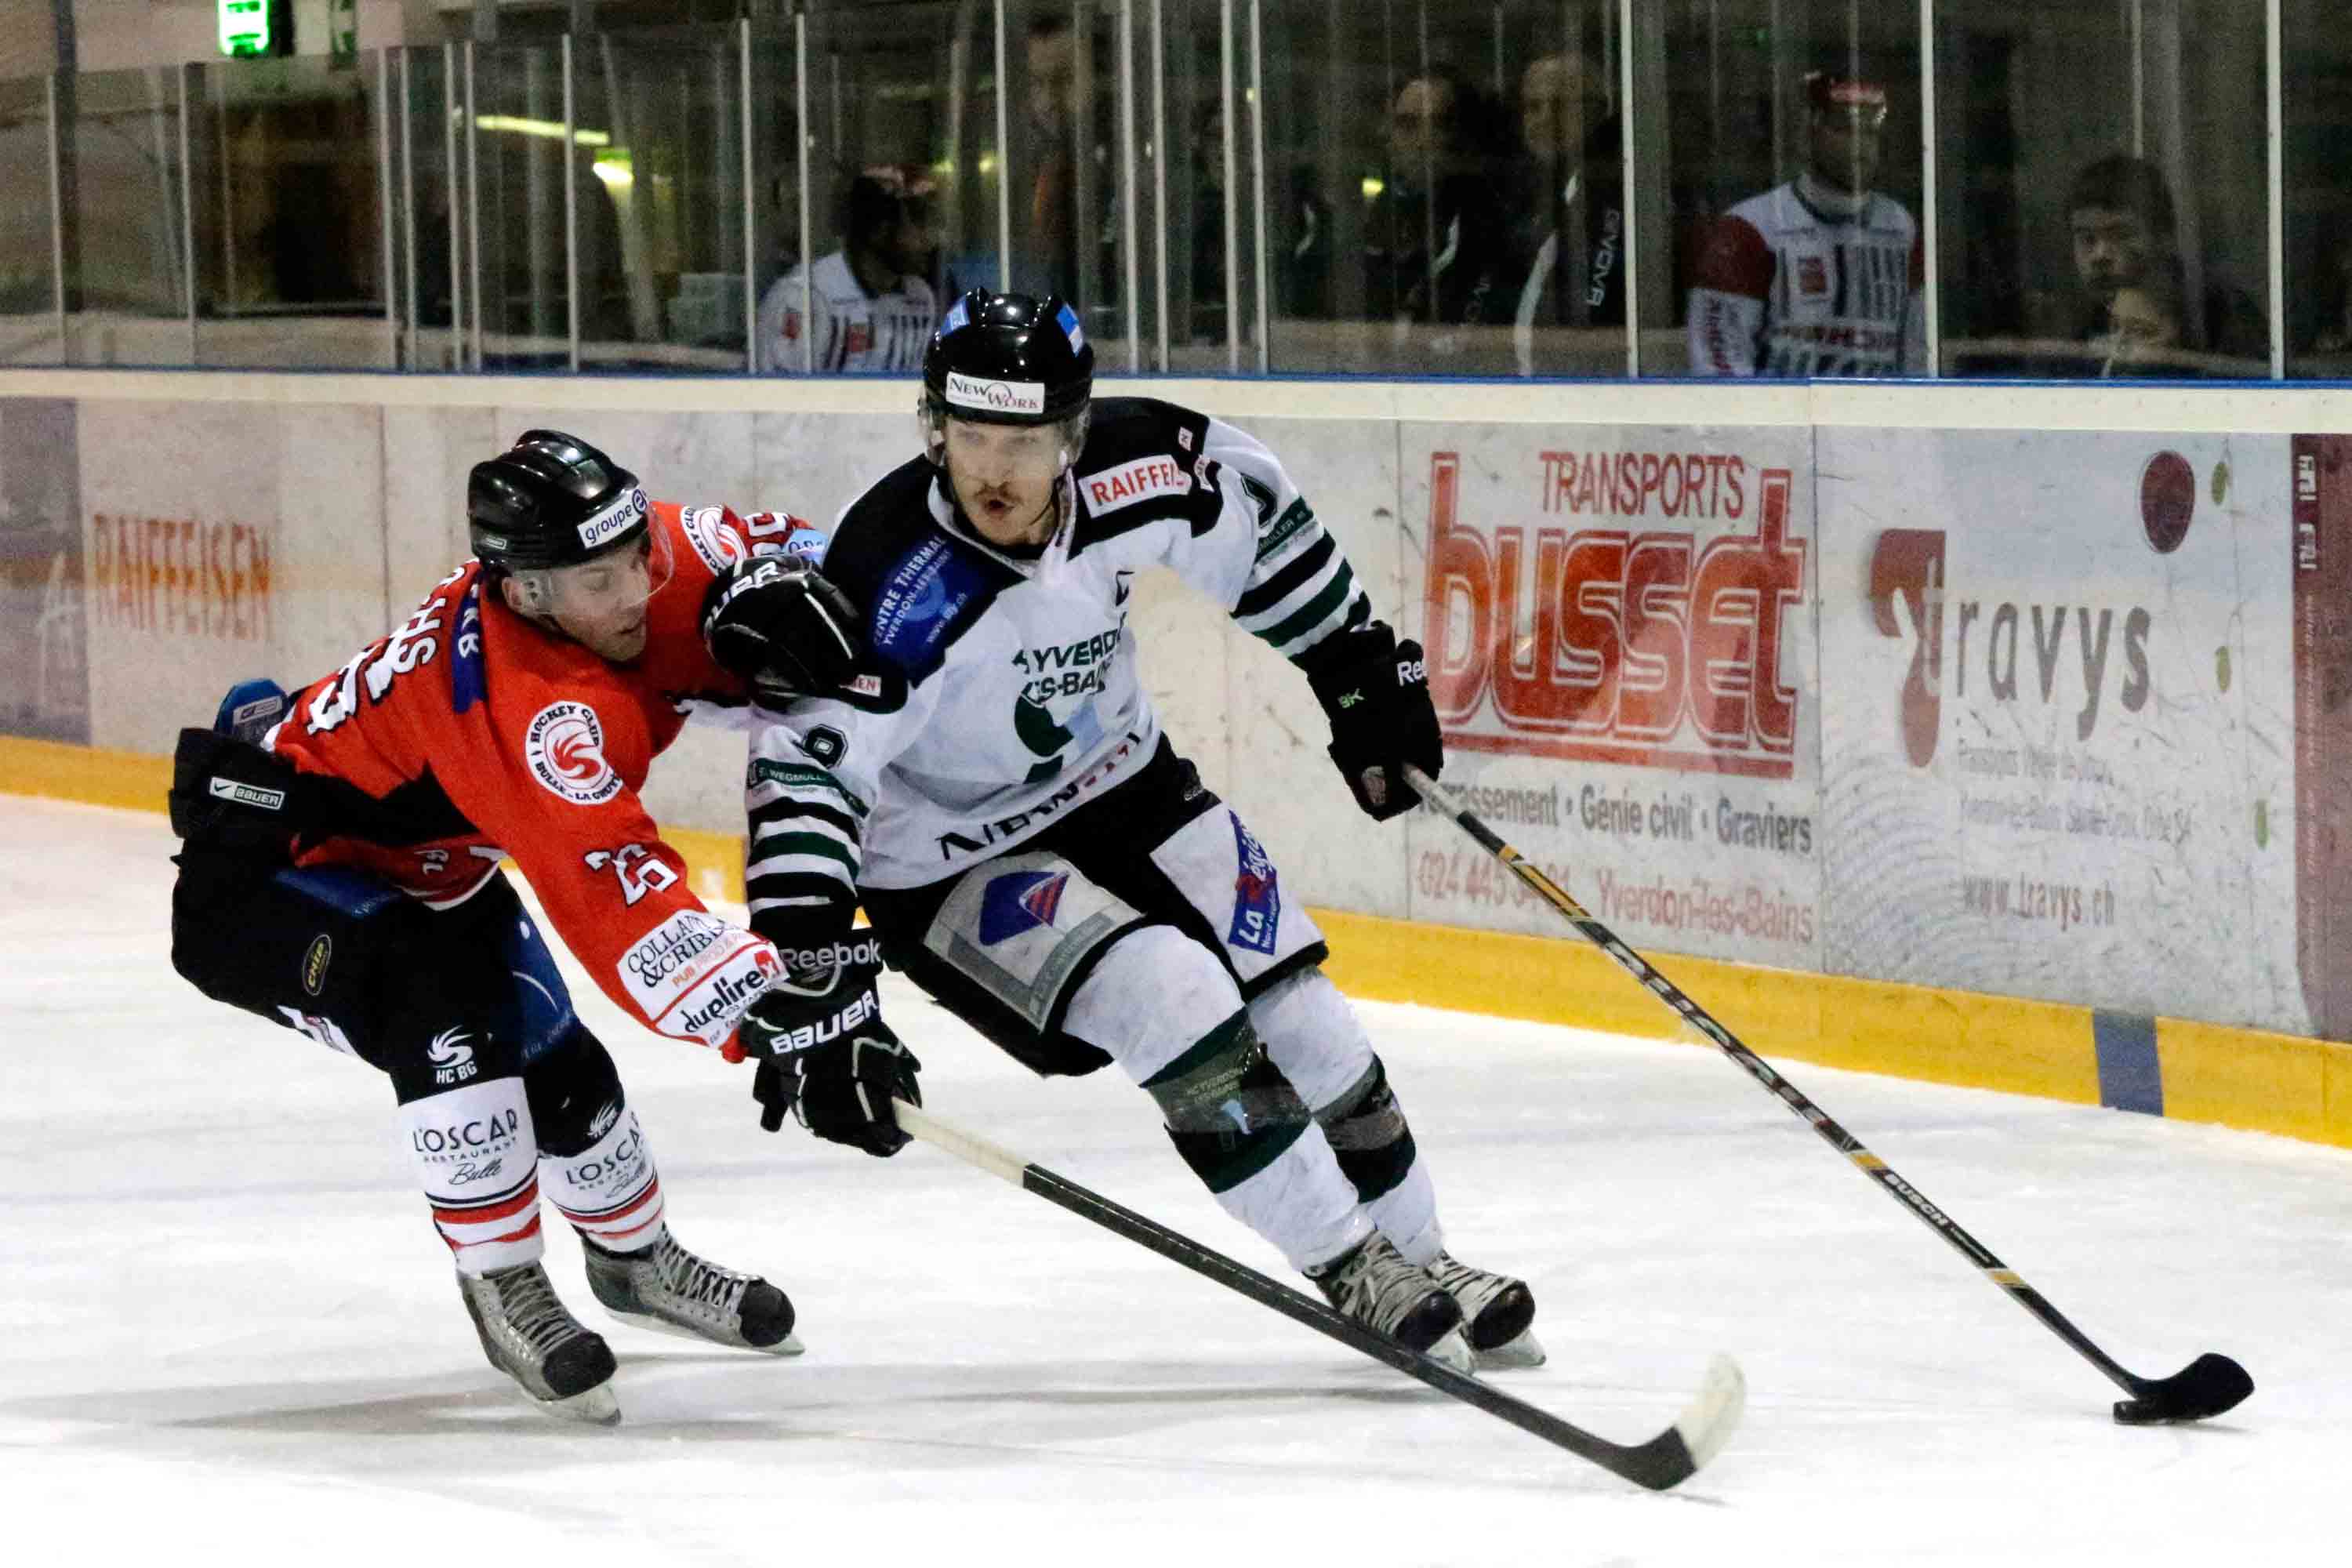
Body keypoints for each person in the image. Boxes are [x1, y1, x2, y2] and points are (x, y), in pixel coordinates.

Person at [709, 291, 1541, 1374]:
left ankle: (1429, 1261)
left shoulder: (1140, 465)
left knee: (1305, 1014)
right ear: (933, 427)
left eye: (1024, 442)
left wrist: (1353, 665)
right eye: (971, 436)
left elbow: (1258, 528)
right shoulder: (884, 582)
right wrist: (817, 983)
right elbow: (804, 783)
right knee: (1173, 993)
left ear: (1075, 433)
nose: (995, 470)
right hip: (949, 861)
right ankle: (1354, 1267)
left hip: (1126, 785)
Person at [164, 431, 921, 1422]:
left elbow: (830, 555)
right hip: (266, 879)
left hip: (428, 869)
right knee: (445, 1015)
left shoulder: (660, 553)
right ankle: (503, 1280)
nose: (636, 592)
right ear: (525, 592)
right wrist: (778, 1013)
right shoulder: (530, 710)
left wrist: (802, 586)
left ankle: (636, 1260)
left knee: (556, 1054)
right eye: (600, 582)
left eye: (637, 557)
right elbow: (621, 902)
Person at [1686, 67, 1926, 376]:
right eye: (1844, 128)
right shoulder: (1749, 230)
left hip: (1877, 407)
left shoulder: (1902, 229)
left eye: (1870, 130)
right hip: (1779, 408)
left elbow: (1918, 354)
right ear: (1806, 135)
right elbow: (1718, 366)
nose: (1860, 144)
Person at [2064, 154, 2266, 365]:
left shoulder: (2222, 314)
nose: (2100, 255)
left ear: (2164, 238)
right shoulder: (2085, 327)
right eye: (2087, 239)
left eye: (2121, 235)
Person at [1364, 65, 1514, 331]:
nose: (1423, 141)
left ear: (1466, 138)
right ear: (1389, 138)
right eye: (1408, 125)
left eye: (1439, 125)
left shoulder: (1490, 228)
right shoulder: (1376, 218)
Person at [1508, 47, 1626, 374]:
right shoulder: (1523, 196)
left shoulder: (1618, 189)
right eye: (1533, 107)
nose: (1545, 118)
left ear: (1597, 111)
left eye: (1561, 105)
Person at [756, 168, 941, 374]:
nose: (930, 240)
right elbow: (774, 389)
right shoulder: (803, 298)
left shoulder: (920, 299)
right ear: (879, 230)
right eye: (918, 224)